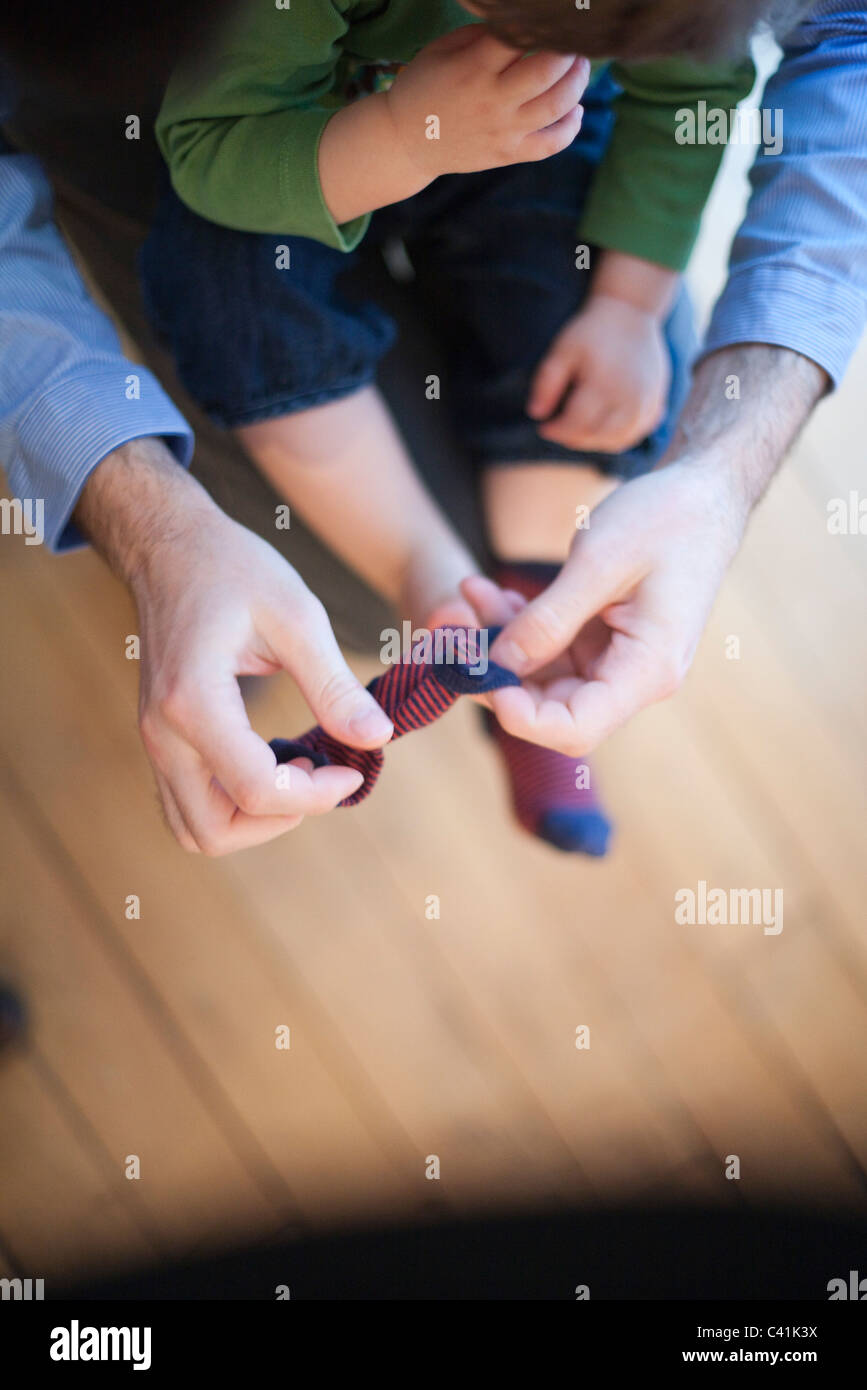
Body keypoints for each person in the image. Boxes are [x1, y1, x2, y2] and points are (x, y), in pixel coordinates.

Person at [1, 1, 864, 859]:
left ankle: (513, 636)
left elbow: (693, 98)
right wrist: (407, 137)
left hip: (528, 148)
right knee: (226, 290)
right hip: (299, 154)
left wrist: (626, 307)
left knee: (593, 348)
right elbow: (215, 147)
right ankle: (430, 582)